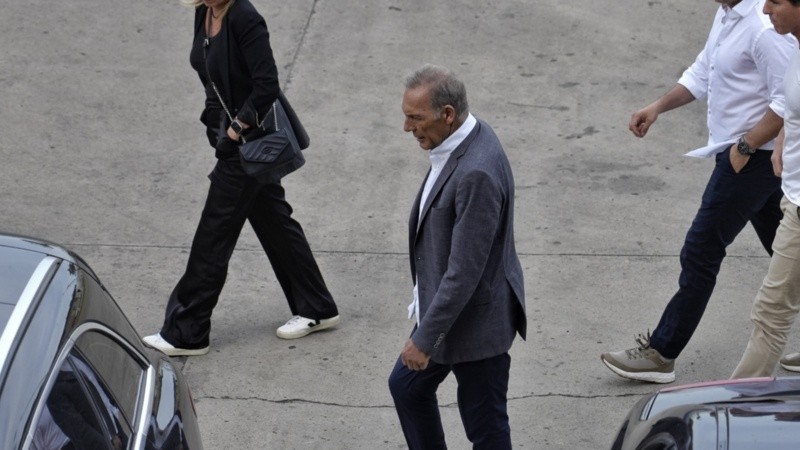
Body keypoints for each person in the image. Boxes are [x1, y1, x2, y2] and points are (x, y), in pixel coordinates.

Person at [601, 0, 795, 383]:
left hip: (752, 159)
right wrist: (658, 107)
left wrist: (746, 146)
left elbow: (786, 98)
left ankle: (661, 353)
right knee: (787, 246)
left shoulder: (762, 27)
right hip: (746, 156)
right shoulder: (727, 13)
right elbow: (703, 70)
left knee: (701, 250)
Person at [143, 0, 339, 356]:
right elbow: (208, 73)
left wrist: (235, 130)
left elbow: (266, 86)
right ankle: (317, 307)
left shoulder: (245, 18)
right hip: (230, 138)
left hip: (249, 142)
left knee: (213, 235)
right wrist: (214, 122)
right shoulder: (204, 12)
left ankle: (187, 332)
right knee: (275, 222)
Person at [387, 65, 527, 449]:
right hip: (454, 312)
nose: (407, 127)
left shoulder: (476, 172)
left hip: (477, 324)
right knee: (407, 387)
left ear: (447, 114)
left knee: (487, 431)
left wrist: (424, 339)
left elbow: (464, 272)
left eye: (416, 118)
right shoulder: (462, 138)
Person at [731, 0, 800, 378]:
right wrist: (786, 133)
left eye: (776, 1)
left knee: (771, 312)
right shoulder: (795, 47)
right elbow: (791, 102)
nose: (766, 9)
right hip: (792, 194)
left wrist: (748, 144)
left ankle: (738, 403)